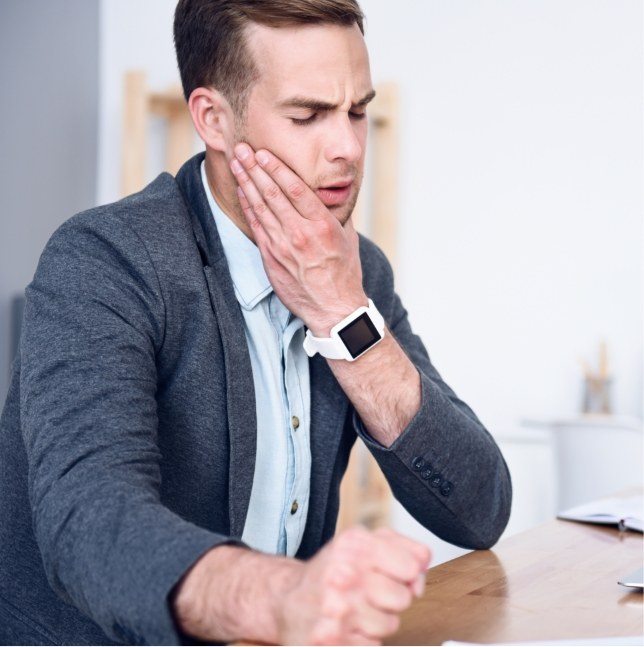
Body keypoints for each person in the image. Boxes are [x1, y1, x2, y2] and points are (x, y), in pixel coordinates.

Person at [0, 0, 512, 644]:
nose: (349, 147)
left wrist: (342, 316)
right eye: (308, 114)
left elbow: (480, 509)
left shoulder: (352, 270)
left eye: (358, 110)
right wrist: (286, 596)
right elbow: (89, 524)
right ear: (213, 119)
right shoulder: (105, 259)